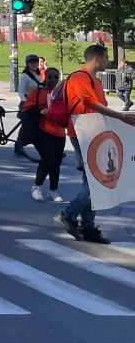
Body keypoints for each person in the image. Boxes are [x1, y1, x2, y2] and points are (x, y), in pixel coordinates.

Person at [56, 44, 135, 244]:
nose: (108, 62)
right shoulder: (80, 78)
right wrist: (120, 116)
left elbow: (101, 108)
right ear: (97, 59)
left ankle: (88, 226)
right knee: (95, 181)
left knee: (93, 181)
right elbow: (90, 103)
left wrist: (120, 119)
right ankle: (69, 213)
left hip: (95, 134)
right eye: (106, 58)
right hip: (83, 134)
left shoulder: (95, 81)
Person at [26, 68, 63, 202]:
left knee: (57, 162)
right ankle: (37, 185)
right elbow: (27, 109)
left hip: (59, 131)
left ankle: (53, 190)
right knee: (48, 158)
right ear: (45, 78)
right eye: (50, 77)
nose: (53, 80)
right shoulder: (38, 91)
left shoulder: (62, 93)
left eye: (55, 77)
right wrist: (40, 111)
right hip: (42, 130)